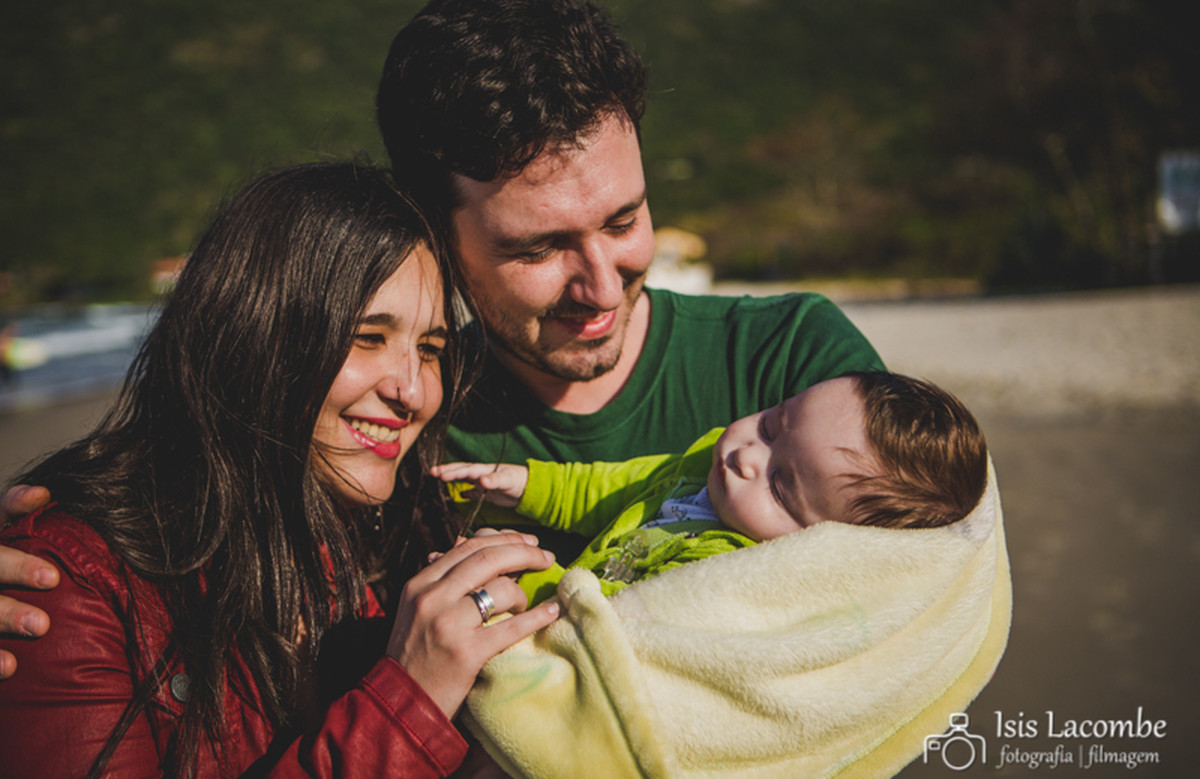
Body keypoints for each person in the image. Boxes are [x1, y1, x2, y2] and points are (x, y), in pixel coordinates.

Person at [0, 0, 883, 680]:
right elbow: (192, 535)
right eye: (538, 247)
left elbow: (928, 596)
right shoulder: (381, 423)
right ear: (432, 230)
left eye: (625, 218)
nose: (602, 284)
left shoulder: (795, 371)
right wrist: (61, 573)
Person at [0, 164, 562, 779]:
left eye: (429, 349)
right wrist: (407, 705)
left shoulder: (369, 543)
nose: (413, 391)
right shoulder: (65, 584)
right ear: (256, 336)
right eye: (367, 337)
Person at [435, 372, 988, 605]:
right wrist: (530, 486)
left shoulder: (723, 567)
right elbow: (619, 485)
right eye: (773, 424)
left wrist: (522, 581)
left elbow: (606, 626)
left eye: (780, 486)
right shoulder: (708, 460)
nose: (748, 454)